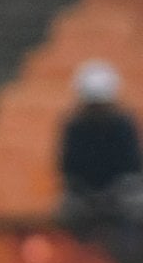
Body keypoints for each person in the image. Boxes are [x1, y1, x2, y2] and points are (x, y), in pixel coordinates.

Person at [58, 59, 143, 224]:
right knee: (68, 210)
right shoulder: (74, 126)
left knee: (136, 206)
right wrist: (87, 192)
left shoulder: (124, 124)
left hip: (121, 191)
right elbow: (68, 166)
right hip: (83, 194)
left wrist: (113, 192)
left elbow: (131, 164)